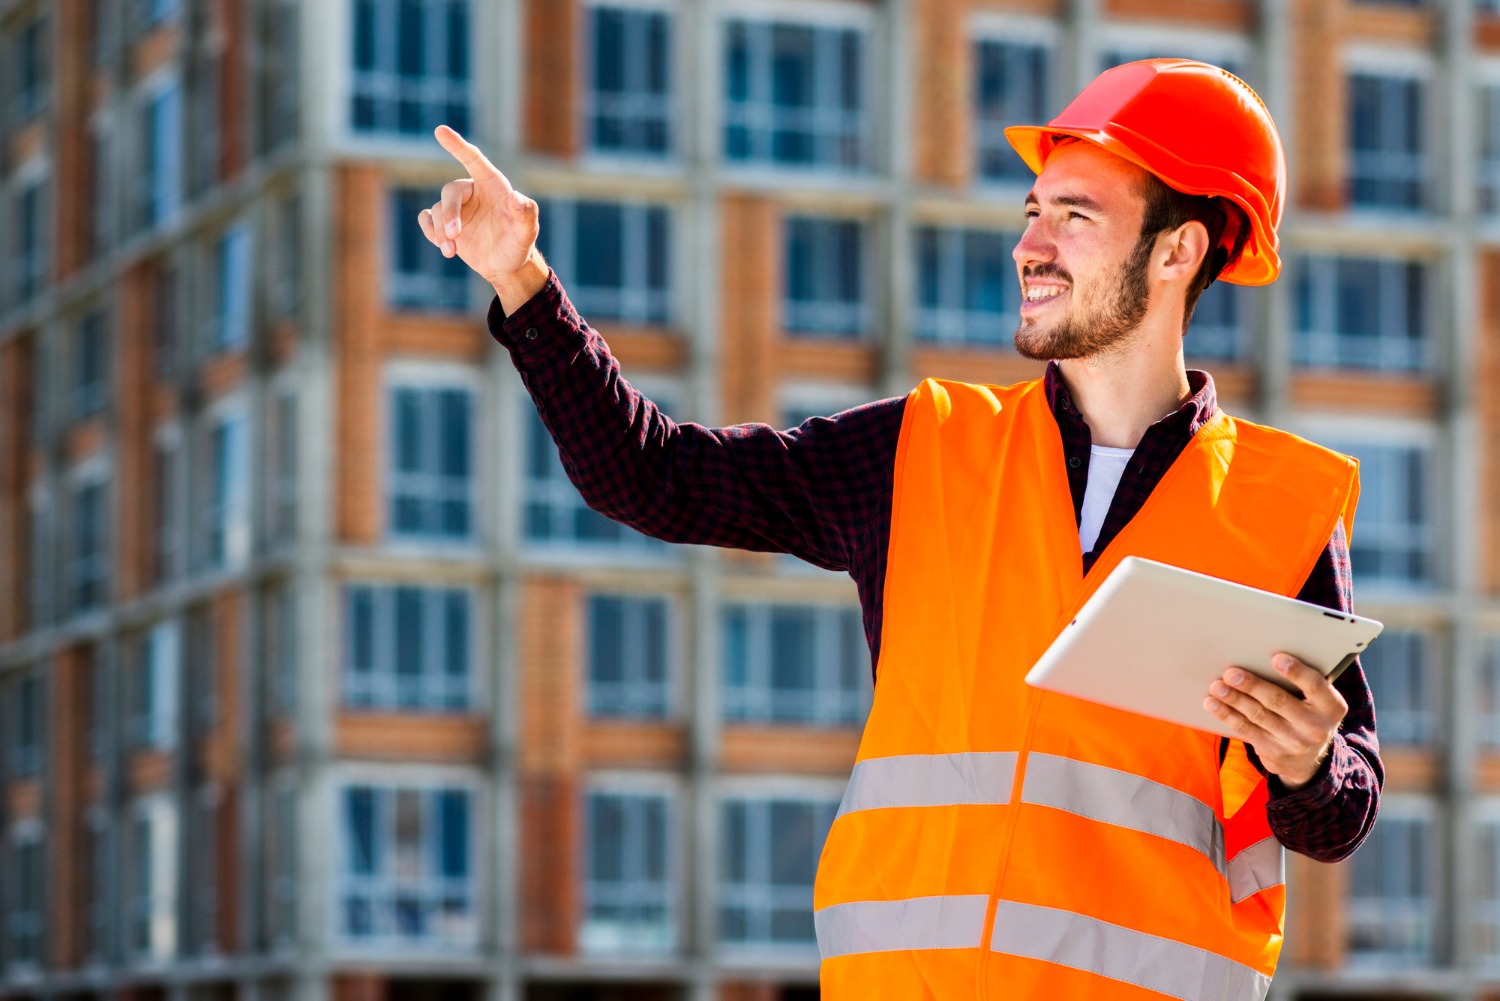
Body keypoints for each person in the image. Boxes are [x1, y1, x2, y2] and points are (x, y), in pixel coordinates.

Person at [419, 59, 1380, 1000]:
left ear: (1179, 251)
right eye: (1032, 211)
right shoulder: (923, 448)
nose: (1031, 245)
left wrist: (1305, 761)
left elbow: (1341, 807)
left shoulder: (1277, 507)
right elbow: (653, 475)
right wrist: (522, 280)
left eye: (1075, 215)